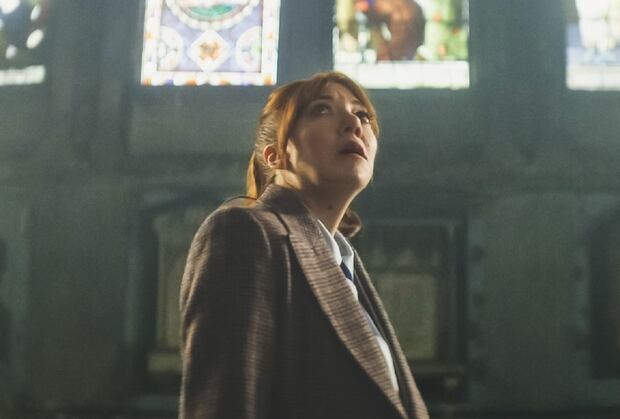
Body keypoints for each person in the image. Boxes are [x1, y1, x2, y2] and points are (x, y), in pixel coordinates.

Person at [179, 71, 428, 419]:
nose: (353, 124)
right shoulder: (244, 233)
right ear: (276, 156)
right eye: (322, 110)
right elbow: (225, 403)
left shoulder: (345, 264)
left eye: (362, 115)